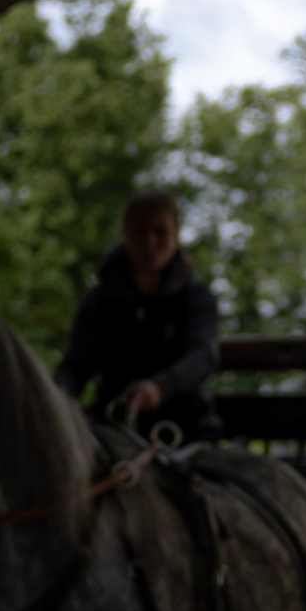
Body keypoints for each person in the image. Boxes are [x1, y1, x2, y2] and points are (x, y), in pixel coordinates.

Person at [56, 190, 222, 445]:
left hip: (186, 429)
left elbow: (203, 356)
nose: (149, 241)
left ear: (176, 234)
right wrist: (59, 397)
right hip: (110, 429)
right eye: (140, 231)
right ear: (125, 233)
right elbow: (76, 365)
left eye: (160, 231)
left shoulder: (196, 297)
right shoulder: (99, 300)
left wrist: (158, 388)